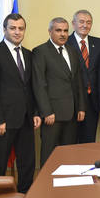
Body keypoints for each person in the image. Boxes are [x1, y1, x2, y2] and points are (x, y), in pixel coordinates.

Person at [0, 13, 41, 193]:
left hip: (26, 117)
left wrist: (35, 112)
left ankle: (25, 193)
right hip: (5, 119)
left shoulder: (28, 54)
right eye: (13, 28)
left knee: (27, 161)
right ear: (4, 29)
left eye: (21, 28)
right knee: (0, 161)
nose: (17, 32)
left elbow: (31, 87)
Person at [32, 17, 86, 166]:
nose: (63, 34)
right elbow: (39, 84)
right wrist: (46, 111)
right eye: (58, 30)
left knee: (68, 155)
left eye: (65, 31)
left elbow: (78, 81)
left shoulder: (72, 51)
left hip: (72, 113)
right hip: (52, 115)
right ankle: (46, 181)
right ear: (50, 31)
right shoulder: (40, 51)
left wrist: (81, 107)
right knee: (49, 155)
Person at [66, 10, 100, 143]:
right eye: (81, 22)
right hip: (72, 101)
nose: (85, 25)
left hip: (92, 101)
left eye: (88, 22)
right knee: (71, 140)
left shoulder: (99, 43)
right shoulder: (65, 42)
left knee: (89, 140)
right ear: (73, 24)